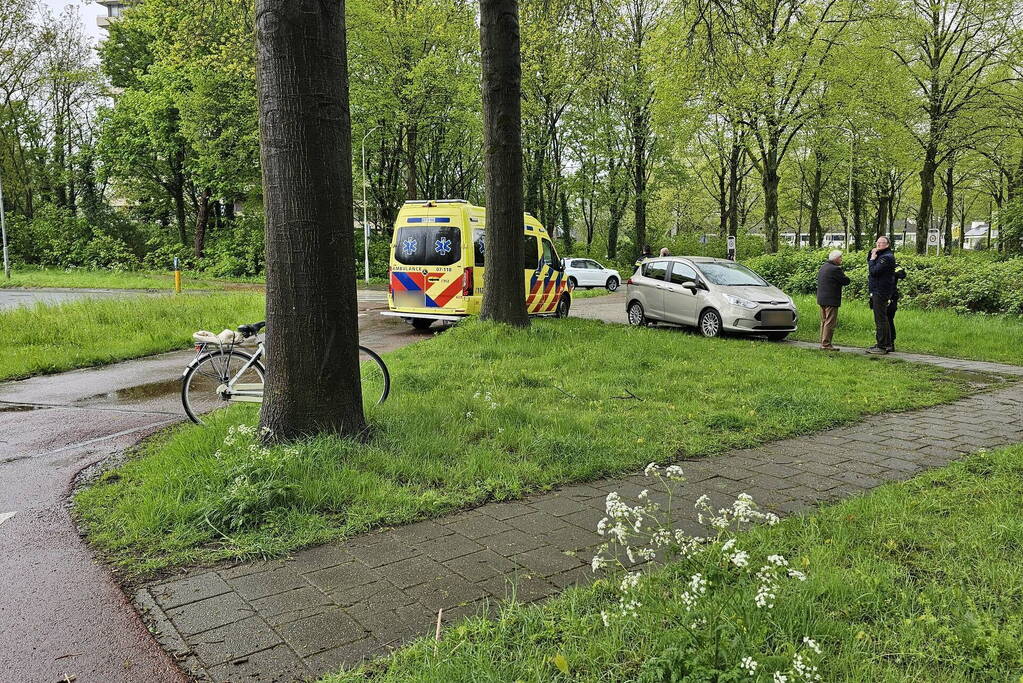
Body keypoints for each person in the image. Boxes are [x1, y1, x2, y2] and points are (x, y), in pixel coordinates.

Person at [866, 235, 898, 355]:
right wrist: (872, 256)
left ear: (887, 244)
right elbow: (870, 261)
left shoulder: (887, 258)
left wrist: (873, 260)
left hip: (880, 291)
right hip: (878, 290)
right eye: (877, 243)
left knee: (881, 319)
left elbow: (874, 271)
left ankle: (882, 346)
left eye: (881, 243)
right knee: (882, 318)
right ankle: (886, 343)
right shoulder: (882, 255)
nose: (878, 245)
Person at [816, 250, 850, 350]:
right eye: (840, 257)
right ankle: (826, 344)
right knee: (830, 322)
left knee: (824, 321)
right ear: (835, 259)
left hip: (822, 298)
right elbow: (846, 281)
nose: (841, 259)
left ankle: (822, 342)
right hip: (831, 299)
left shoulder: (823, 267)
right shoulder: (835, 269)